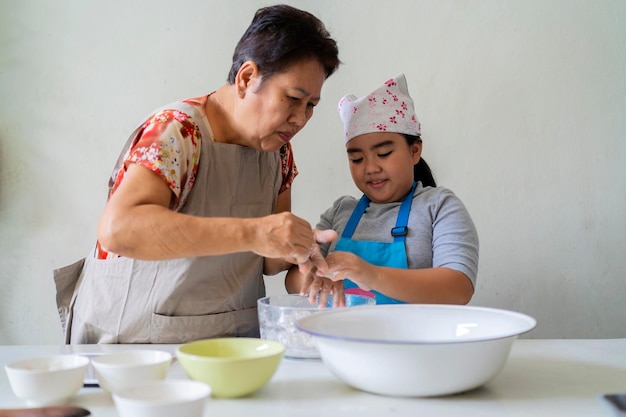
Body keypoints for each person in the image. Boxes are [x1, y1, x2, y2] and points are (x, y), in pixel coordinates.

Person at [53, 4, 340, 344]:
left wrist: (301, 255)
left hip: (228, 347)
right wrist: (256, 232)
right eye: (293, 98)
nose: (301, 118)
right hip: (133, 347)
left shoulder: (277, 152)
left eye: (311, 106)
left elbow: (265, 255)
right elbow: (120, 229)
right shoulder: (178, 132)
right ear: (247, 78)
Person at [285, 73, 478, 306]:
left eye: (384, 154)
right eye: (357, 159)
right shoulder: (340, 212)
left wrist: (370, 274)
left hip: (415, 340)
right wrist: (313, 275)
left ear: (414, 151)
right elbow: (293, 281)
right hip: (345, 338)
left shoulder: (439, 207)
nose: (371, 168)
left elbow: (458, 288)